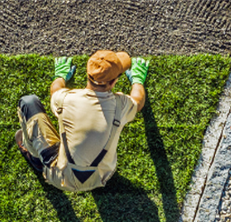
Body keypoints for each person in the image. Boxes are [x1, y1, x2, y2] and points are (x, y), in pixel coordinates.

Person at [15, 50, 149, 192]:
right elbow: (138, 101)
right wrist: (137, 81)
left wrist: (60, 76)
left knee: (28, 102)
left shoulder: (65, 98)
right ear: (113, 82)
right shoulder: (121, 105)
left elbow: (55, 90)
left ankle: (36, 159)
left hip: (60, 178)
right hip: (101, 176)